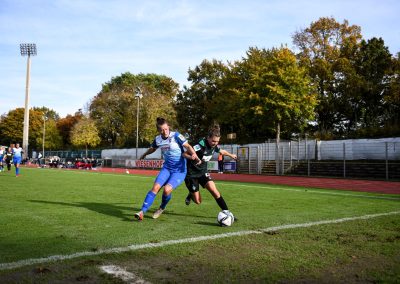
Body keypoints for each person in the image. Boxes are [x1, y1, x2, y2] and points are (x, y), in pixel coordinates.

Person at [134, 117, 199, 221]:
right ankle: (142, 211)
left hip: (179, 171)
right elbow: (153, 148)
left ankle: (162, 208)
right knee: (155, 188)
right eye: (161, 130)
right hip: (167, 168)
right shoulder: (158, 139)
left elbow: (188, 146)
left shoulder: (176, 136)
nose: (164, 132)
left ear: (168, 127)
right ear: (158, 130)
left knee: (166, 190)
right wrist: (144, 154)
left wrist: (194, 155)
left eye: (166, 129)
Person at [183, 124, 237, 214]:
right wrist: (191, 157)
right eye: (213, 141)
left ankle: (227, 212)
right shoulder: (199, 145)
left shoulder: (214, 146)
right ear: (208, 138)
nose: (215, 143)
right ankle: (191, 193)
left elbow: (221, 151)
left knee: (214, 190)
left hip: (203, 172)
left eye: (217, 141)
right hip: (191, 174)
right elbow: (184, 154)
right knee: (198, 201)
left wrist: (231, 155)